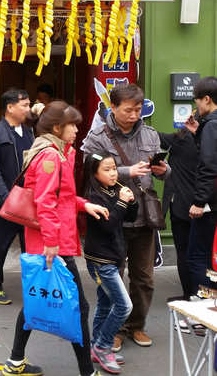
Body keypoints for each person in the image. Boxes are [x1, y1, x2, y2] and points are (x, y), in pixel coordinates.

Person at [2, 101, 109, 376]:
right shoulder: (50, 157)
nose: (77, 130)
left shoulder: (59, 152)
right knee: (79, 307)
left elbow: (62, 197)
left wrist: (84, 205)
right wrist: (51, 243)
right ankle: (88, 371)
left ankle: (15, 361)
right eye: (73, 125)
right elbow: (45, 202)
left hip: (51, 241)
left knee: (35, 300)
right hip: (52, 244)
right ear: (57, 128)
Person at [81, 83, 169, 351]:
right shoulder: (97, 137)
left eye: (138, 109)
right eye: (128, 110)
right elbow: (89, 172)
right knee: (113, 278)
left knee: (144, 277)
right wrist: (126, 171)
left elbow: (163, 173)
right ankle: (114, 328)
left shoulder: (151, 135)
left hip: (143, 215)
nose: (134, 115)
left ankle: (136, 326)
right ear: (114, 108)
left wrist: (162, 170)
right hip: (111, 217)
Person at [83, 153, 138, 375]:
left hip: (113, 256)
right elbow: (108, 225)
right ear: (95, 173)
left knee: (105, 304)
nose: (113, 172)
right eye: (106, 169)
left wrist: (130, 202)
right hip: (100, 260)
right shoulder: (93, 196)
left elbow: (129, 218)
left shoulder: (115, 189)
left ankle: (96, 345)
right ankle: (103, 346)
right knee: (125, 306)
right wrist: (122, 203)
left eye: (114, 168)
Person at [0, 89, 33, 304]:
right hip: (5, 201)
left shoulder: (29, 132)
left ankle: (34, 286)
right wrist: (5, 197)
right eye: (25, 105)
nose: (28, 109)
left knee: (30, 246)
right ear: (10, 107)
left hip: (28, 199)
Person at [158, 118, 199, 302]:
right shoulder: (207, 142)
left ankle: (190, 295)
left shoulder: (182, 140)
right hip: (203, 204)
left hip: (182, 205)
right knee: (200, 253)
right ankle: (198, 297)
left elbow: (156, 136)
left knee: (184, 253)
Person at [189, 77, 217, 293]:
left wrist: (199, 201)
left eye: (197, 100)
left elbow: (208, 166)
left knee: (198, 256)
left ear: (206, 99)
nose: (196, 106)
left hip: (211, 205)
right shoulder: (207, 126)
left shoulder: (212, 126)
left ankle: (204, 310)